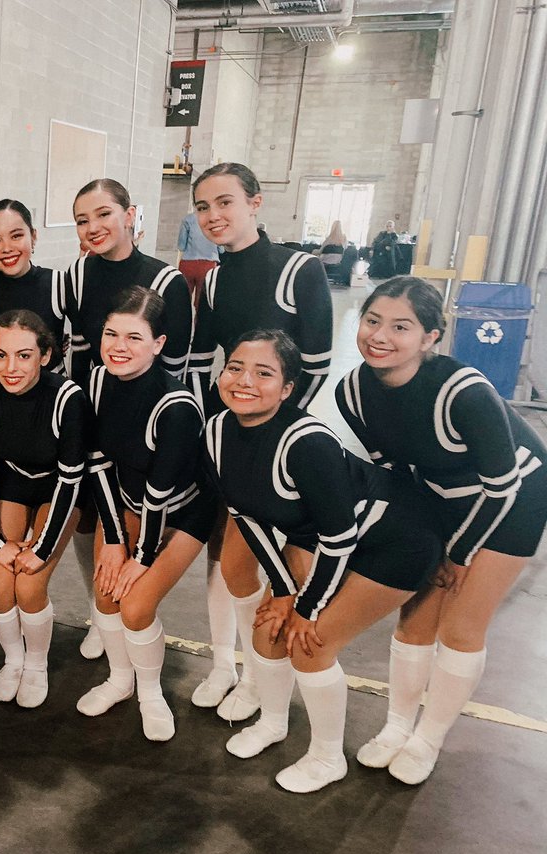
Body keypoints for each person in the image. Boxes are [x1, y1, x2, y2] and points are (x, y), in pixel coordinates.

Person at [206, 330, 442, 792]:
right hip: (327, 535)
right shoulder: (217, 431)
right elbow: (245, 515)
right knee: (268, 626)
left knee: (309, 643)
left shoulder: (307, 443)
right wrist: (281, 591)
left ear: (288, 388)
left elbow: (339, 537)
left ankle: (326, 757)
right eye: (235, 367)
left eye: (264, 373)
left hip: (396, 541)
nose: (244, 380)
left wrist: (306, 606)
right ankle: (274, 722)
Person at [336, 276, 547, 784]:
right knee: (416, 617)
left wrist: (457, 554)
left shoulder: (464, 391)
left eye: (401, 327)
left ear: (431, 337)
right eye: (372, 320)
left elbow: (500, 487)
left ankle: (428, 739)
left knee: (460, 625)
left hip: (515, 498)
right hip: (441, 497)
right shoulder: (353, 392)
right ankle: (396, 728)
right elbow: (396, 474)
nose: (380, 335)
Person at [187, 162, 334, 725]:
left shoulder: (300, 269)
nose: (213, 216)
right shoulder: (217, 279)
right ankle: (226, 663)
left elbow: (315, 364)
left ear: (255, 202)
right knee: (226, 554)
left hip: (280, 441)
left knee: (283, 564)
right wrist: (215, 423)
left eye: (224, 202)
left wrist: (274, 430)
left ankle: (263, 672)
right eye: (203, 207)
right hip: (230, 433)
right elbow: (207, 360)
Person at [67, 178, 194, 662]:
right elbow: (77, 350)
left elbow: (174, 366)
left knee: (134, 527)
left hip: (144, 426)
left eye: (103, 214)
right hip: (94, 413)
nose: (94, 227)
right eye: (83, 219)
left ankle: (123, 608)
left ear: (129, 213)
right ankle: (101, 615)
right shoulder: (79, 274)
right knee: (87, 522)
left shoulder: (165, 281)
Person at [82, 286, 215, 740]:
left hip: (181, 511)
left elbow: (161, 494)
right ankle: (120, 679)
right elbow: (97, 462)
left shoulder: (176, 405)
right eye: (111, 334)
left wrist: (139, 557)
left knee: (135, 606)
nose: (118, 347)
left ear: (158, 344)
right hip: (128, 500)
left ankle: (150, 692)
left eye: (134, 337)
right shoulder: (99, 379)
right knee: (104, 592)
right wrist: (116, 539)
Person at [0, 310, 89, 708]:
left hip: (60, 489)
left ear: (45, 355)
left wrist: (42, 548)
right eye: (0, 355)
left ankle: (36, 662)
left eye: (24, 356)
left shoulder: (68, 398)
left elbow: (70, 480)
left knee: (30, 585)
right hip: (12, 483)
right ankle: (13, 659)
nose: (10, 367)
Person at [0, 199, 67, 372]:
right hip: (6, 387)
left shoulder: (58, 282)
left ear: (33, 237)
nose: (6, 248)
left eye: (16, 236)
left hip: (53, 390)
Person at [176, 209, 220, 305]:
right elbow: (222, 249)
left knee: (182, 299)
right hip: (208, 265)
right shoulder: (217, 221)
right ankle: (198, 320)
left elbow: (181, 246)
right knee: (202, 302)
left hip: (188, 263)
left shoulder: (188, 219)